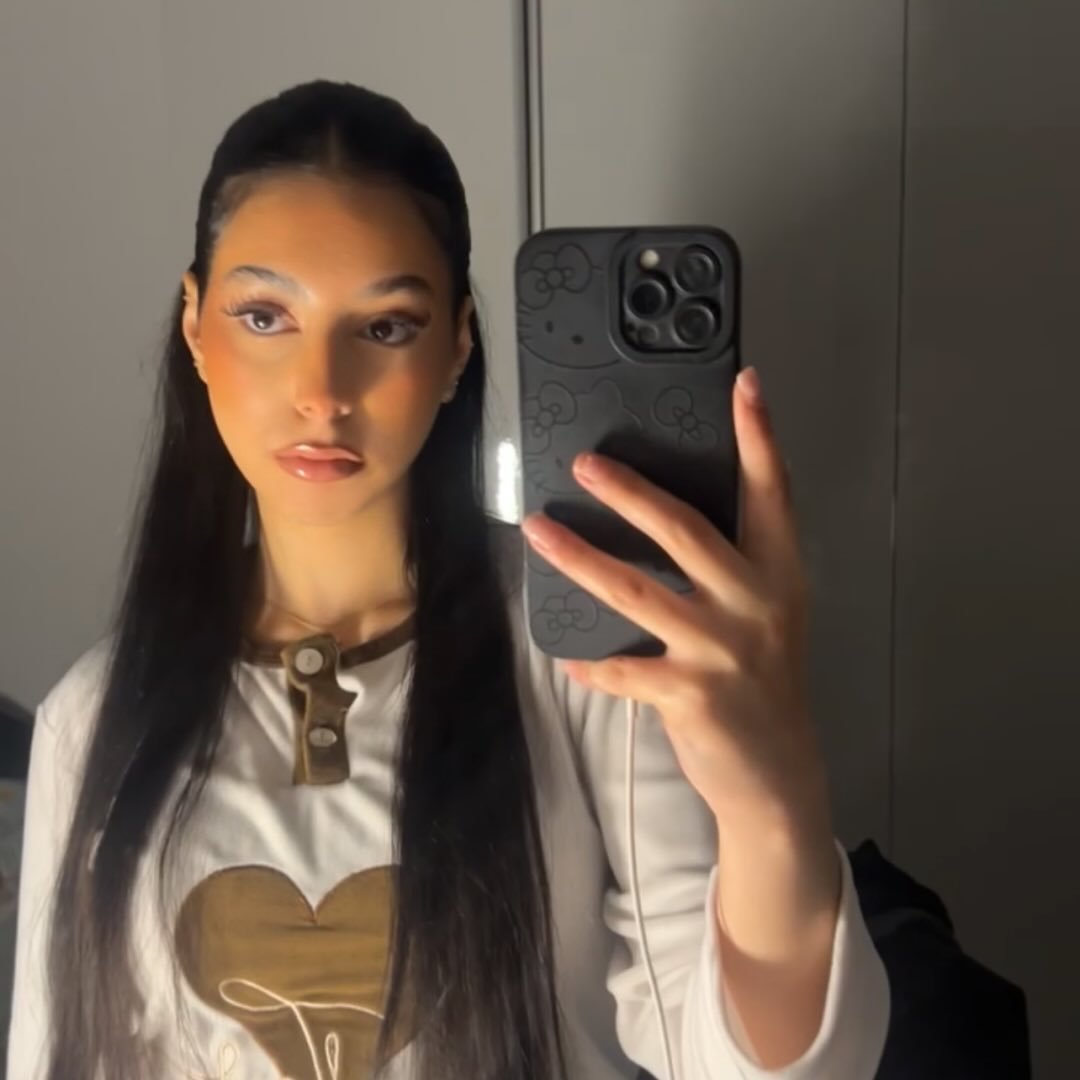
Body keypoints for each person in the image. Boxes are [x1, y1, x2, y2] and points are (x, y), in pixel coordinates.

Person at [6, 81, 889, 1080]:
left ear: (457, 345)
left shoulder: (586, 650)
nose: (322, 393)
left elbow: (739, 1059)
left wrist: (775, 798)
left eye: (385, 327)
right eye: (264, 315)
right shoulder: (92, 721)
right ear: (195, 325)